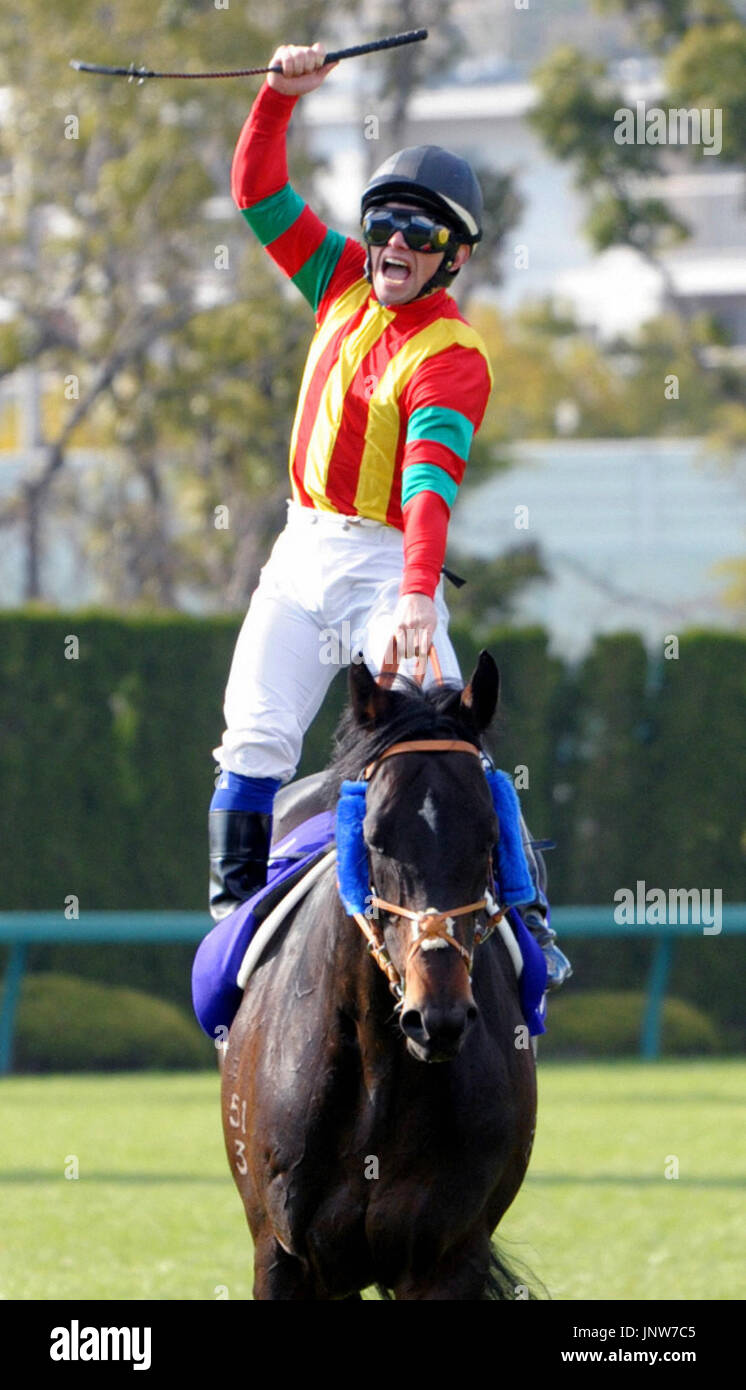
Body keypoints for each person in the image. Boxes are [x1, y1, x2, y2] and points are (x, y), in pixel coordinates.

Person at [209, 42, 571, 989]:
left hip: (387, 568)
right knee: (252, 735)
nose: (396, 247)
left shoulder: (452, 354)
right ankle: (238, 930)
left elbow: (426, 485)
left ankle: (528, 919)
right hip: (300, 551)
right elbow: (255, 193)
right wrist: (278, 97)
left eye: (419, 234)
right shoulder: (337, 279)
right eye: (385, 228)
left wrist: (416, 597)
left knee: (450, 736)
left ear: (451, 253)